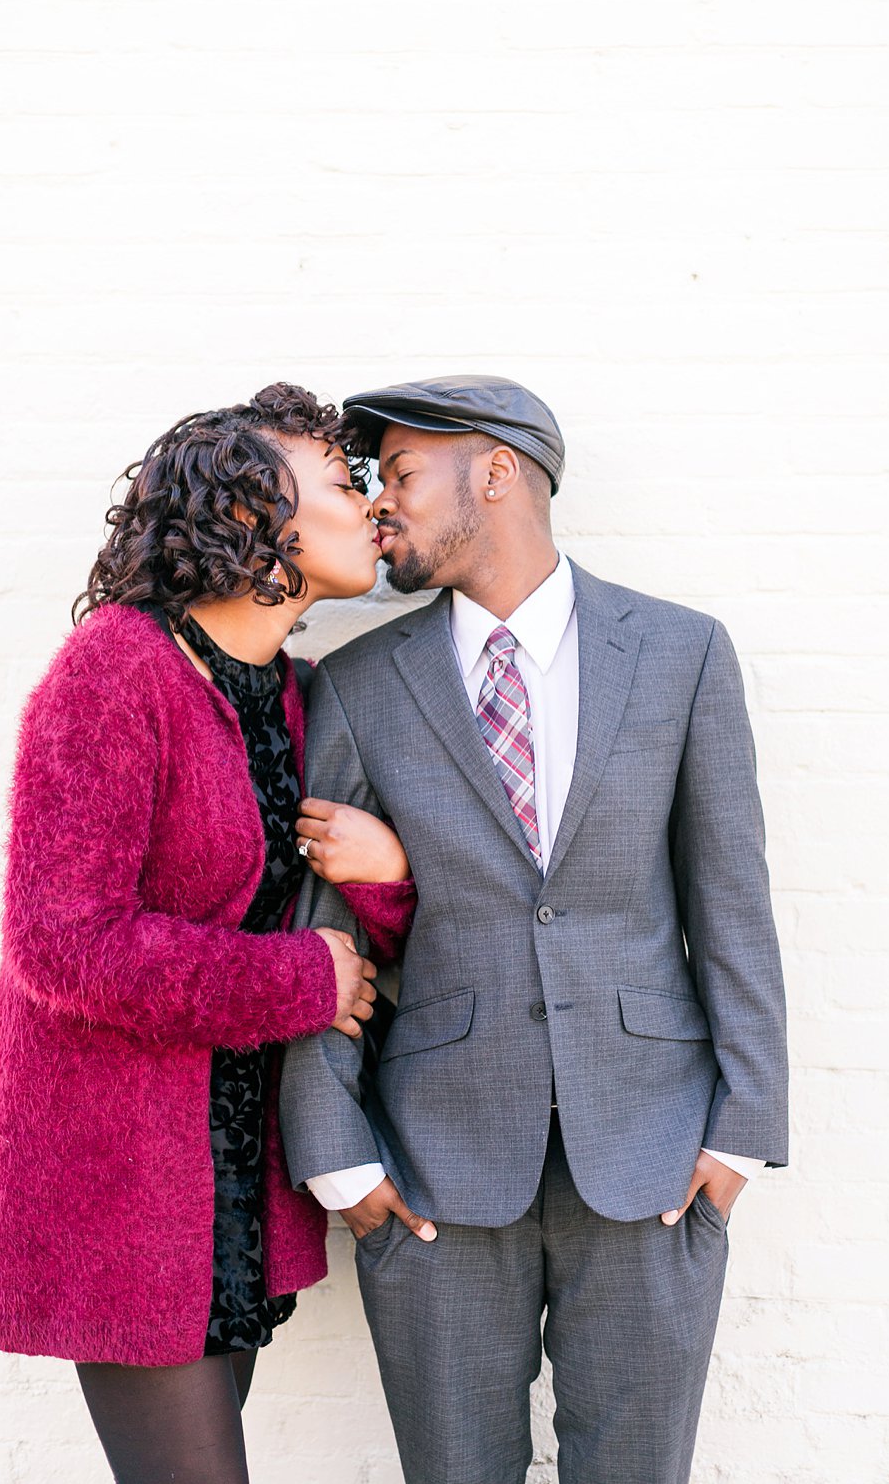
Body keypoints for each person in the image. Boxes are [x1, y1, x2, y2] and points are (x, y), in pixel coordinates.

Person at [280, 375, 789, 1484]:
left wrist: (740, 1129)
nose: (382, 509)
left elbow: (729, 900)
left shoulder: (678, 652)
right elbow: (319, 932)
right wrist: (333, 1157)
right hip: (430, 1168)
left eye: (403, 476)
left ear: (496, 470)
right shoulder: (360, 681)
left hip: (653, 1148)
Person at [0, 384, 422, 1484]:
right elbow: (60, 940)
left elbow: (351, 921)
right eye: (335, 482)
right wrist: (298, 979)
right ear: (251, 513)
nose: (365, 507)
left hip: (229, 1183)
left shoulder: (300, 694)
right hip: (116, 1185)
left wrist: (392, 876)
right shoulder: (116, 670)